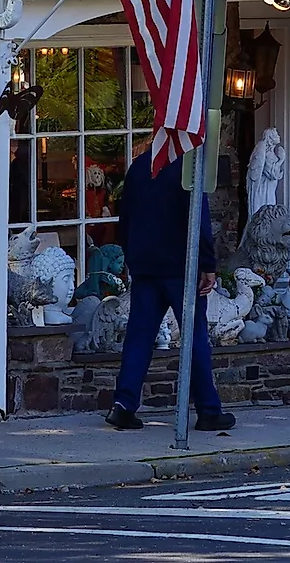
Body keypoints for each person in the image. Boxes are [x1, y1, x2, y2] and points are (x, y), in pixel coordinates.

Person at [106, 147, 235, 433]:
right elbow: (198, 220)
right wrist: (208, 263)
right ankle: (208, 410)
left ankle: (123, 405)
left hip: (145, 266)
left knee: (139, 338)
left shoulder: (139, 167)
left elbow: (124, 219)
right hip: (180, 267)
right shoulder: (188, 169)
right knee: (194, 337)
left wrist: (131, 257)